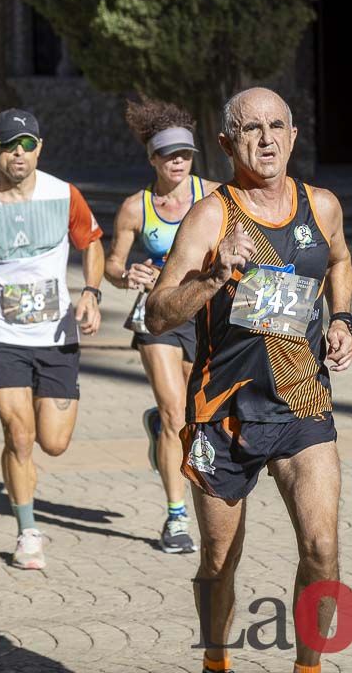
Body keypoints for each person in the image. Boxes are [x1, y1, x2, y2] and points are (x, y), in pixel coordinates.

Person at [145, 88, 352, 673]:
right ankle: (217, 660)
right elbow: (159, 312)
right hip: (224, 411)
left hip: (300, 400)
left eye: (276, 126)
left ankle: (308, 668)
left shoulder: (324, 206)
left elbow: (338, 260)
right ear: (226, 142)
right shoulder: (211, 215)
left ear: (293, 135)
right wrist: (214, 275)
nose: (265, 139)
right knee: (217, 559)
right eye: (250, 129)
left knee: (322, 549)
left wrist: (340, 317)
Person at [0, 107, 104, 570]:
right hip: (0, 333)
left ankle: (24, 476)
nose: (20, 153)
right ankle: (27, 531)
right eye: (11, 145)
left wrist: (90, 292)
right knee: (20, 434)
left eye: (28, 145)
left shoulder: (63, 194)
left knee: (53, 443)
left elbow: (91, 241)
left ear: (39, 148)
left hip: (55, 336)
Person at [104, 97, 219, 554]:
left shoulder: (211, 195)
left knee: (192, 412)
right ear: (152, 158)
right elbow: (112, 264)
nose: (178, 162)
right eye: (169, 155)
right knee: (176, 415)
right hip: (156, 316)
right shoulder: (137, 208)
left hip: (202, 312)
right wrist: (125, 273)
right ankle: (176, 518)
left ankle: (160, 429)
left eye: (185, 154)